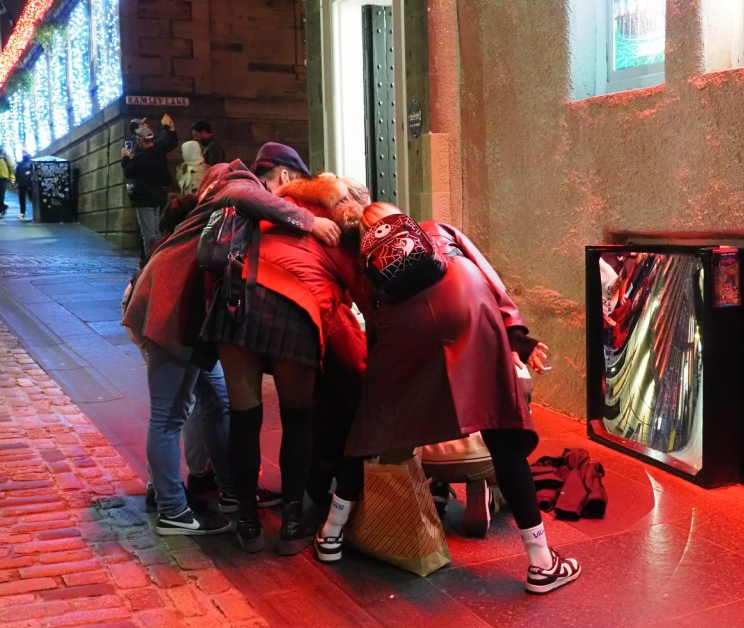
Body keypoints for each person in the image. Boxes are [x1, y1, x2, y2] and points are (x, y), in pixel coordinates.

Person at [345, 203, 580, 595]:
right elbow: (491, 282)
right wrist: (518, 341)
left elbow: (376, 339)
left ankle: (330, 536)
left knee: (369, 428)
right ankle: (541, 562)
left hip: (424, 433)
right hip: (474, 322)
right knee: (502, 432)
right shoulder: (438, 230)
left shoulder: (374, 277)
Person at [122, 153, 341, 537]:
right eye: (285, 190)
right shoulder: (237, 178)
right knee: (170, 413)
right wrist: (310, 220)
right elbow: (242, 194)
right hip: (170, 308)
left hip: (185, 313)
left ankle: (232, 494)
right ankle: (172, 507)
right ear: (283, 175)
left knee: (219, 402)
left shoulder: (229, 189)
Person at [200, 145, 369, 557]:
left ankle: (247, 523)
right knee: (297, 418)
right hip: (294, 309)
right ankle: (293, 524)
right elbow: (358, 289)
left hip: (235, 302)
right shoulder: (335, 218)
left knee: (245, 418)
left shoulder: (264, 202)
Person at [122, 115, 178, 258]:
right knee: (155, 232)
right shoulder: (156, 152)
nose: (146, 125)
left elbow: (129, 171)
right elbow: (165, 142)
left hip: (145, 196)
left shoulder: (142, 154)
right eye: (142, 124)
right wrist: (167, 128)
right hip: (156, 195)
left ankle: (151, 262)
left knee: (149, 234)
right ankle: (157, 260)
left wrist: (125, 158)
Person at [15, 149, 32, 219]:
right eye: (23, 152)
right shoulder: (22, 163)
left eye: (25, 152)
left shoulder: (29, 163)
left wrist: (16, 182)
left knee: (27, 198)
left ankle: (23, 213)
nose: (24, 154)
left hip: (26, 184)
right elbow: (17, 174)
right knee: (24, 199)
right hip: (25, 184)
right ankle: (23, 213)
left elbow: (17, 174)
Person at [0, 146, 14, 217]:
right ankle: (3, 207)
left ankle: (1, 209)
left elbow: (11, 167)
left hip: (3, 179)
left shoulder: (5, 157)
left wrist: (12, 178)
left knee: (1, 195)